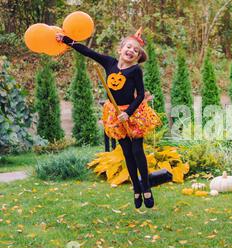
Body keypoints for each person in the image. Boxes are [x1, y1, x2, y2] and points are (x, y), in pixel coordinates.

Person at [56, 28, 161, 209]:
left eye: (135, 51)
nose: (131, 51)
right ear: (120, 49)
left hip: (133, 113)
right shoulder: (109, 63)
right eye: (128, 47)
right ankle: (135, 187)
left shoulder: (135, 71)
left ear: (137, 57)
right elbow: (88, 52)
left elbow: (140, 94)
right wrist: (66, 39)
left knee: (137, 151)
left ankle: (146, 186)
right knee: (127, 153)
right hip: (115, 113)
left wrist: (128, 113)